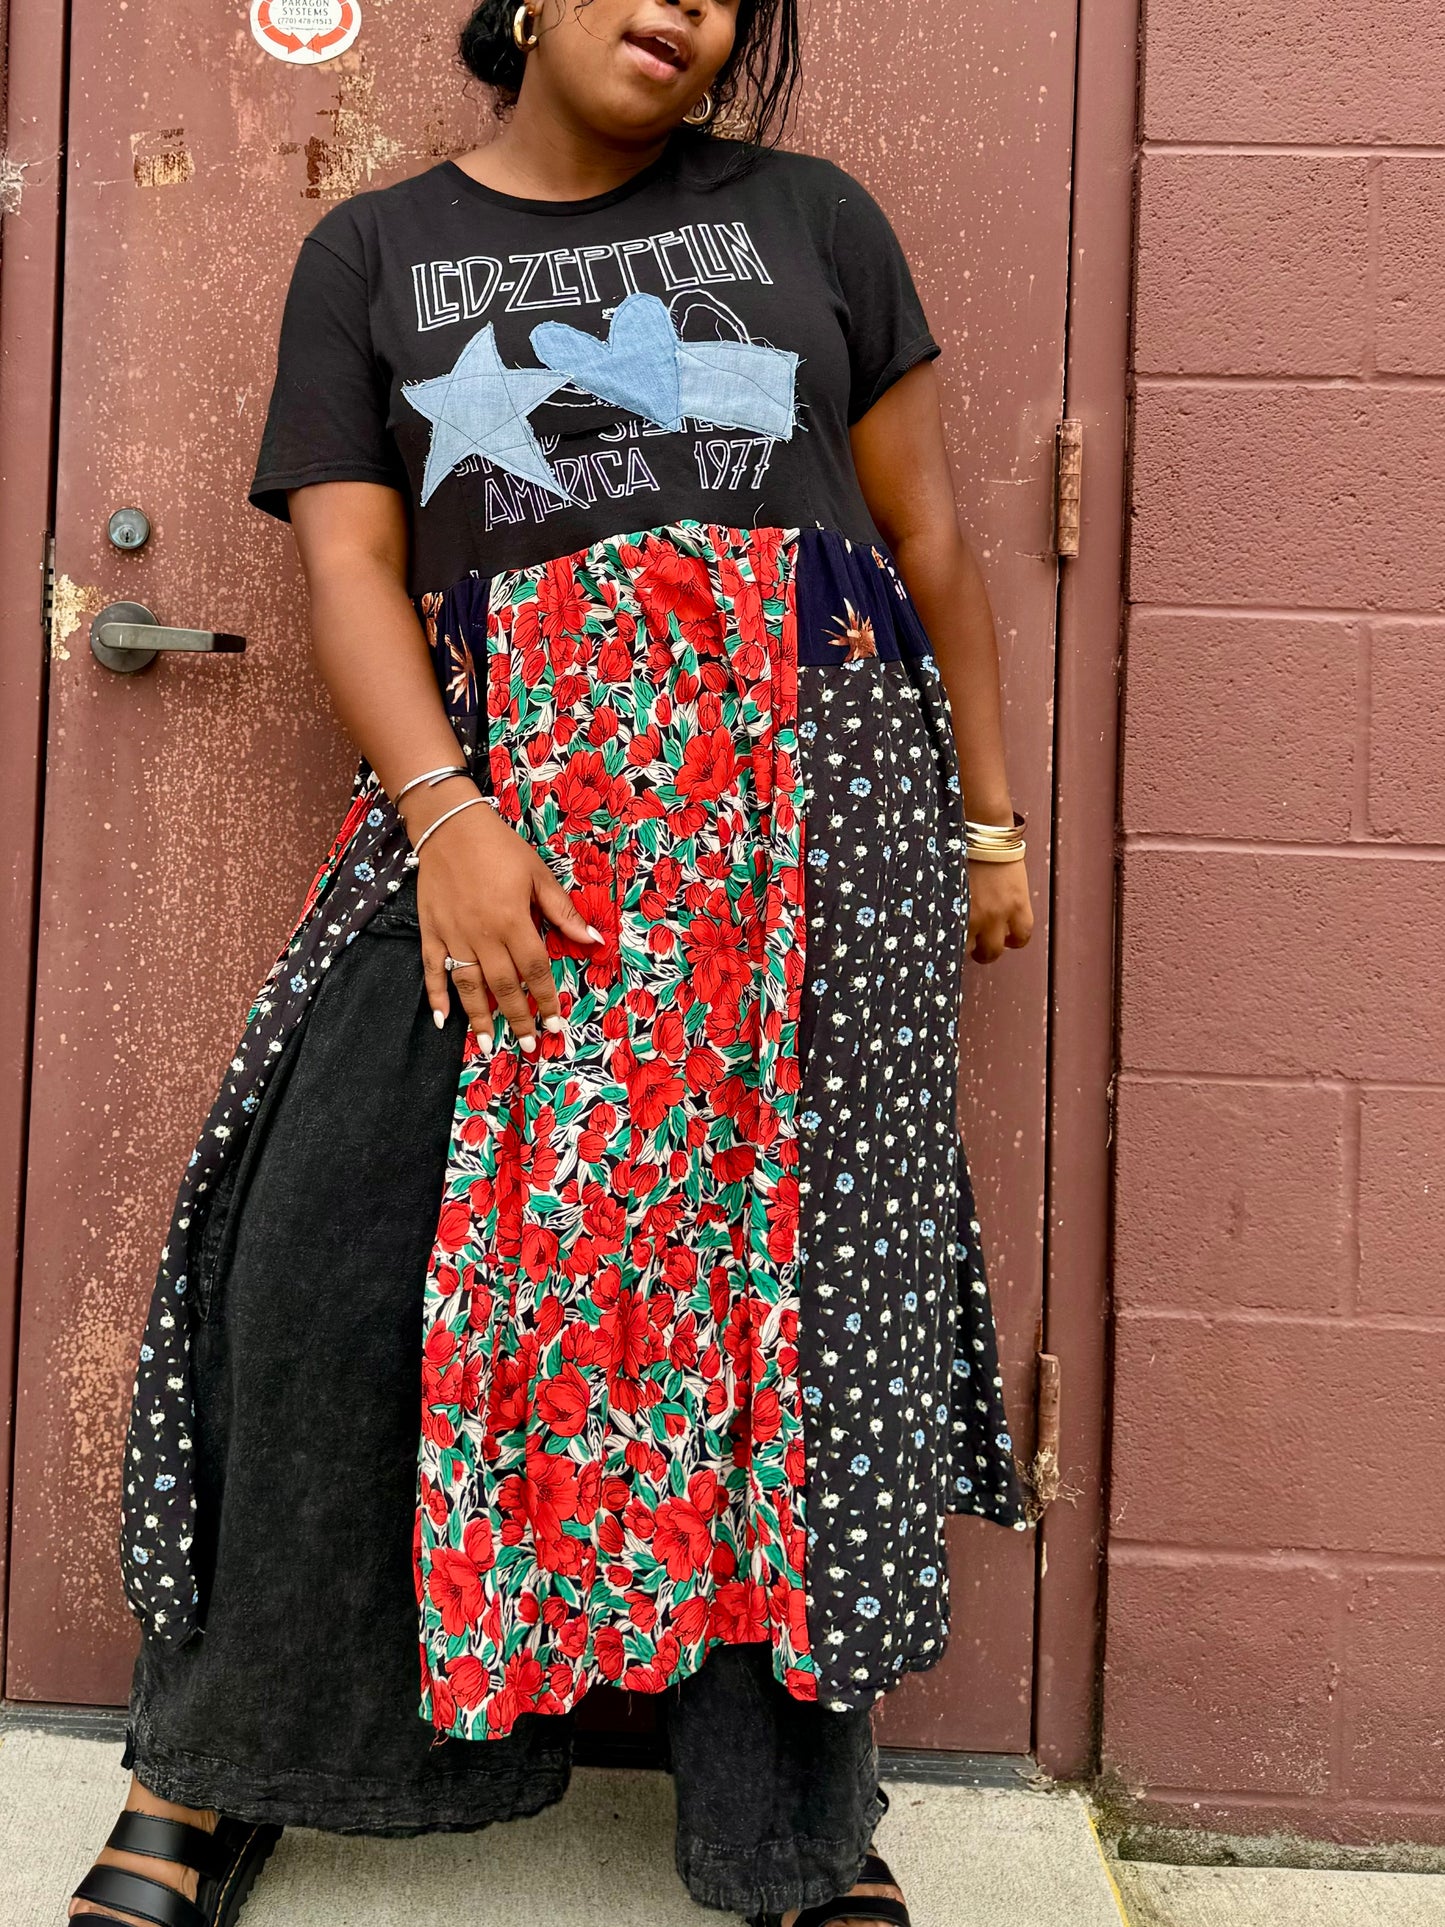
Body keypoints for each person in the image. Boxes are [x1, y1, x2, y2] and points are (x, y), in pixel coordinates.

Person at [69, 2, 1033, 1924]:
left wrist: (985, 825)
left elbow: (924, 535)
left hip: (807, 818)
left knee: (786, 1309)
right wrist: (447, 821)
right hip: (512, 814)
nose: (682, 10)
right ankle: (225, 1765)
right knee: (333, 1268)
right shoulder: (375, 251)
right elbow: (351, 565)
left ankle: (794, 1833)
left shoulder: (813, 219)